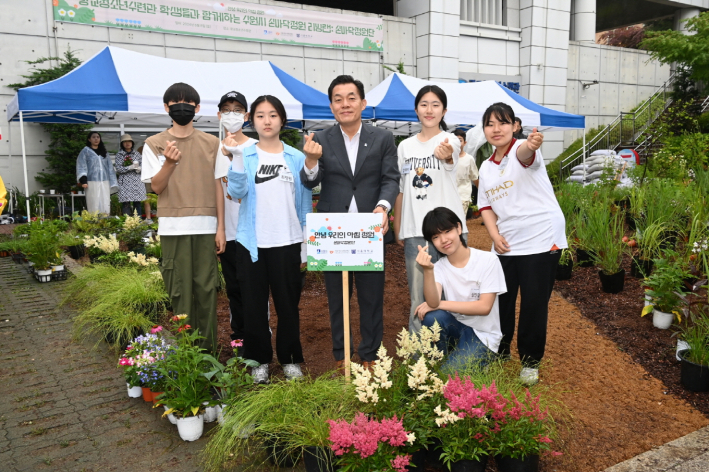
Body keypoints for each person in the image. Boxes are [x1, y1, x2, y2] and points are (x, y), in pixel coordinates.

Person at [300, 75, 399, 370]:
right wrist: (310, 162)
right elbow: (310, 182)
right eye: (338, 99)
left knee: (371, 297)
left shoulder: (383, 138)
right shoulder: (318, 139)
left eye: (351, 97)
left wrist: (383, 207)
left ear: (363, 103)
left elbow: (390, 178)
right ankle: (343, 356)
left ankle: (369, 355)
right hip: (333, 232)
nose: (345, 104)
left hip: (369, 230)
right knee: (337, 297)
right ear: (331, 106)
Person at [477, 102, 567, 385]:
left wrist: (533, 144)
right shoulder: (486, 166)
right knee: (499, 299)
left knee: (533, 302)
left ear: (515, 126)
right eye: (490, 124)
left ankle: (530, 362)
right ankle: (500, 351)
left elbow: (527, 153)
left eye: (502, 122)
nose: (496, 129)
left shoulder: (521, 151)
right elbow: (486, 207)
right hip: (507, 241)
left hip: (541, 238)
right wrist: (494, 235)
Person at [226, 95, 311, 384]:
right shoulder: (246, 155)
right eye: (260, 115)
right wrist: (236, 158)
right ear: (252, 120)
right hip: (252, 245)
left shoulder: (296, 158)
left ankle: (290, 360)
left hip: (287, 242)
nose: (267, 120)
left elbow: (304, 203)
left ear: (282, 120)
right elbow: (236, 193)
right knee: (253, 307)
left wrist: (305, 244)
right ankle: (258, 360)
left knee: (288, 307)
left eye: (273, 115)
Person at [141, 82, 228, 353]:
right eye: (175, 103)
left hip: (206, 226)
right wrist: (169, 163)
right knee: (179, 295)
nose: (182, 107)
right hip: (172, 228)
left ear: (197, 108)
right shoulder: (154, 143)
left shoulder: (212, 143)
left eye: (188, 103)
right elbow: (155, 187)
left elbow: (219, 186)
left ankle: (209, 359)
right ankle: (187, 360)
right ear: (166, 108)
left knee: (206, 293)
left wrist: (221, 228)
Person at [392, 85, 465, 334]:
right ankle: (417, 355)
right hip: (416, 233)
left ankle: (455, 346)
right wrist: (398, 225)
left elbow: (450, 157)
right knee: (419, 295)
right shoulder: (405, 147)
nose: (429, 109)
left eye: (436, 105)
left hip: (448, 230)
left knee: (455, 291)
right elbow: (402, 188)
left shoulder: (451, 140)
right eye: (424, 104)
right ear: (416, 109)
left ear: (444, 111)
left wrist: (445, 155)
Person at [415, 207, 506, 371]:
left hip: (483, 336)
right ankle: (444, 361)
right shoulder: (439, 267)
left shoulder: (488, 260)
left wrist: (441, 304)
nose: (443, 240)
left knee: (446, 379)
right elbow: (433, 301)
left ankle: (476, 361)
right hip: (457, 327)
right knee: (431, 317)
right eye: (436, 237)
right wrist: (428, 270)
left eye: (447, 231)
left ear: (459, 228)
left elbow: (484, 307)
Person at [216, 91, 258, 349]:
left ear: (246, 116)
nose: (232, 114)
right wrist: (219, 228)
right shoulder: (215, 149)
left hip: (252, 233)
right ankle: (239, 339)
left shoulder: (255, 147)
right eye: (227, 110)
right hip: (228, 232)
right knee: (234, 290)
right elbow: (216, 191)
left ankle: (258, 338)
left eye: (237, 109)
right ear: (219, 115)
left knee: (254, 290)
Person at [76, 131, 118, 215]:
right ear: (89, 139)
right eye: (93, 137)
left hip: (105, 181)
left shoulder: (104, 153)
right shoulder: (85, 151)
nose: (96, 139)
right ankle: (94, 221)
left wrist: (113, 182)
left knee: (105, 201)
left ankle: (105, 220)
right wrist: (83, 180)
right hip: (92, 181)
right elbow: (81, 166)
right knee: (94, 201)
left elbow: (110, 168)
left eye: (98, 137)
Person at [114, 134, 147, 217]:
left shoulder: (137, 154)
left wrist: (140, 168)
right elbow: (118, 169)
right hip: (125, 182)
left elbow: (144, 166)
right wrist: (129, 167)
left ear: (132, 143)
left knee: (137, 203)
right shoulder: (119, 155)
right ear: (122, 144)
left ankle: (138, 221)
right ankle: (127, 222)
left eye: (129, 141)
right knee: (126, 203)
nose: (127, 143)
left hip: (137, 181)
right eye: (125, 142)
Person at [452, 128, 479, 216]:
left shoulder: (469, 159)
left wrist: (483, 194)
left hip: (463, 195)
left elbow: (475, 177)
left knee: (459, 220)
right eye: (454, 140)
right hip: (449, 195)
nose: (457, 143)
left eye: (460, 140)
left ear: (465, 143)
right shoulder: (445, 158)